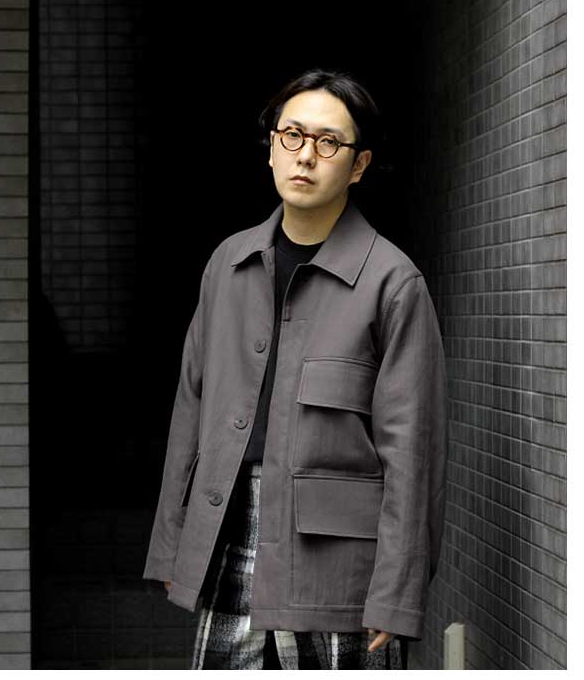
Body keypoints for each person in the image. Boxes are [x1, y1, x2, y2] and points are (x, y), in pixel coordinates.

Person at [143, 67, 448, 670]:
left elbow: (414, 455)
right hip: (230, 539)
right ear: (272, 147)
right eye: (292, 135)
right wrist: (173, 545)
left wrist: (396, 593)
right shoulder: (227, 264)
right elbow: (190, 411)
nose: (306, 155)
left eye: (329, 142)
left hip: (342, 572)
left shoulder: (392, 283)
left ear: (358, 165)